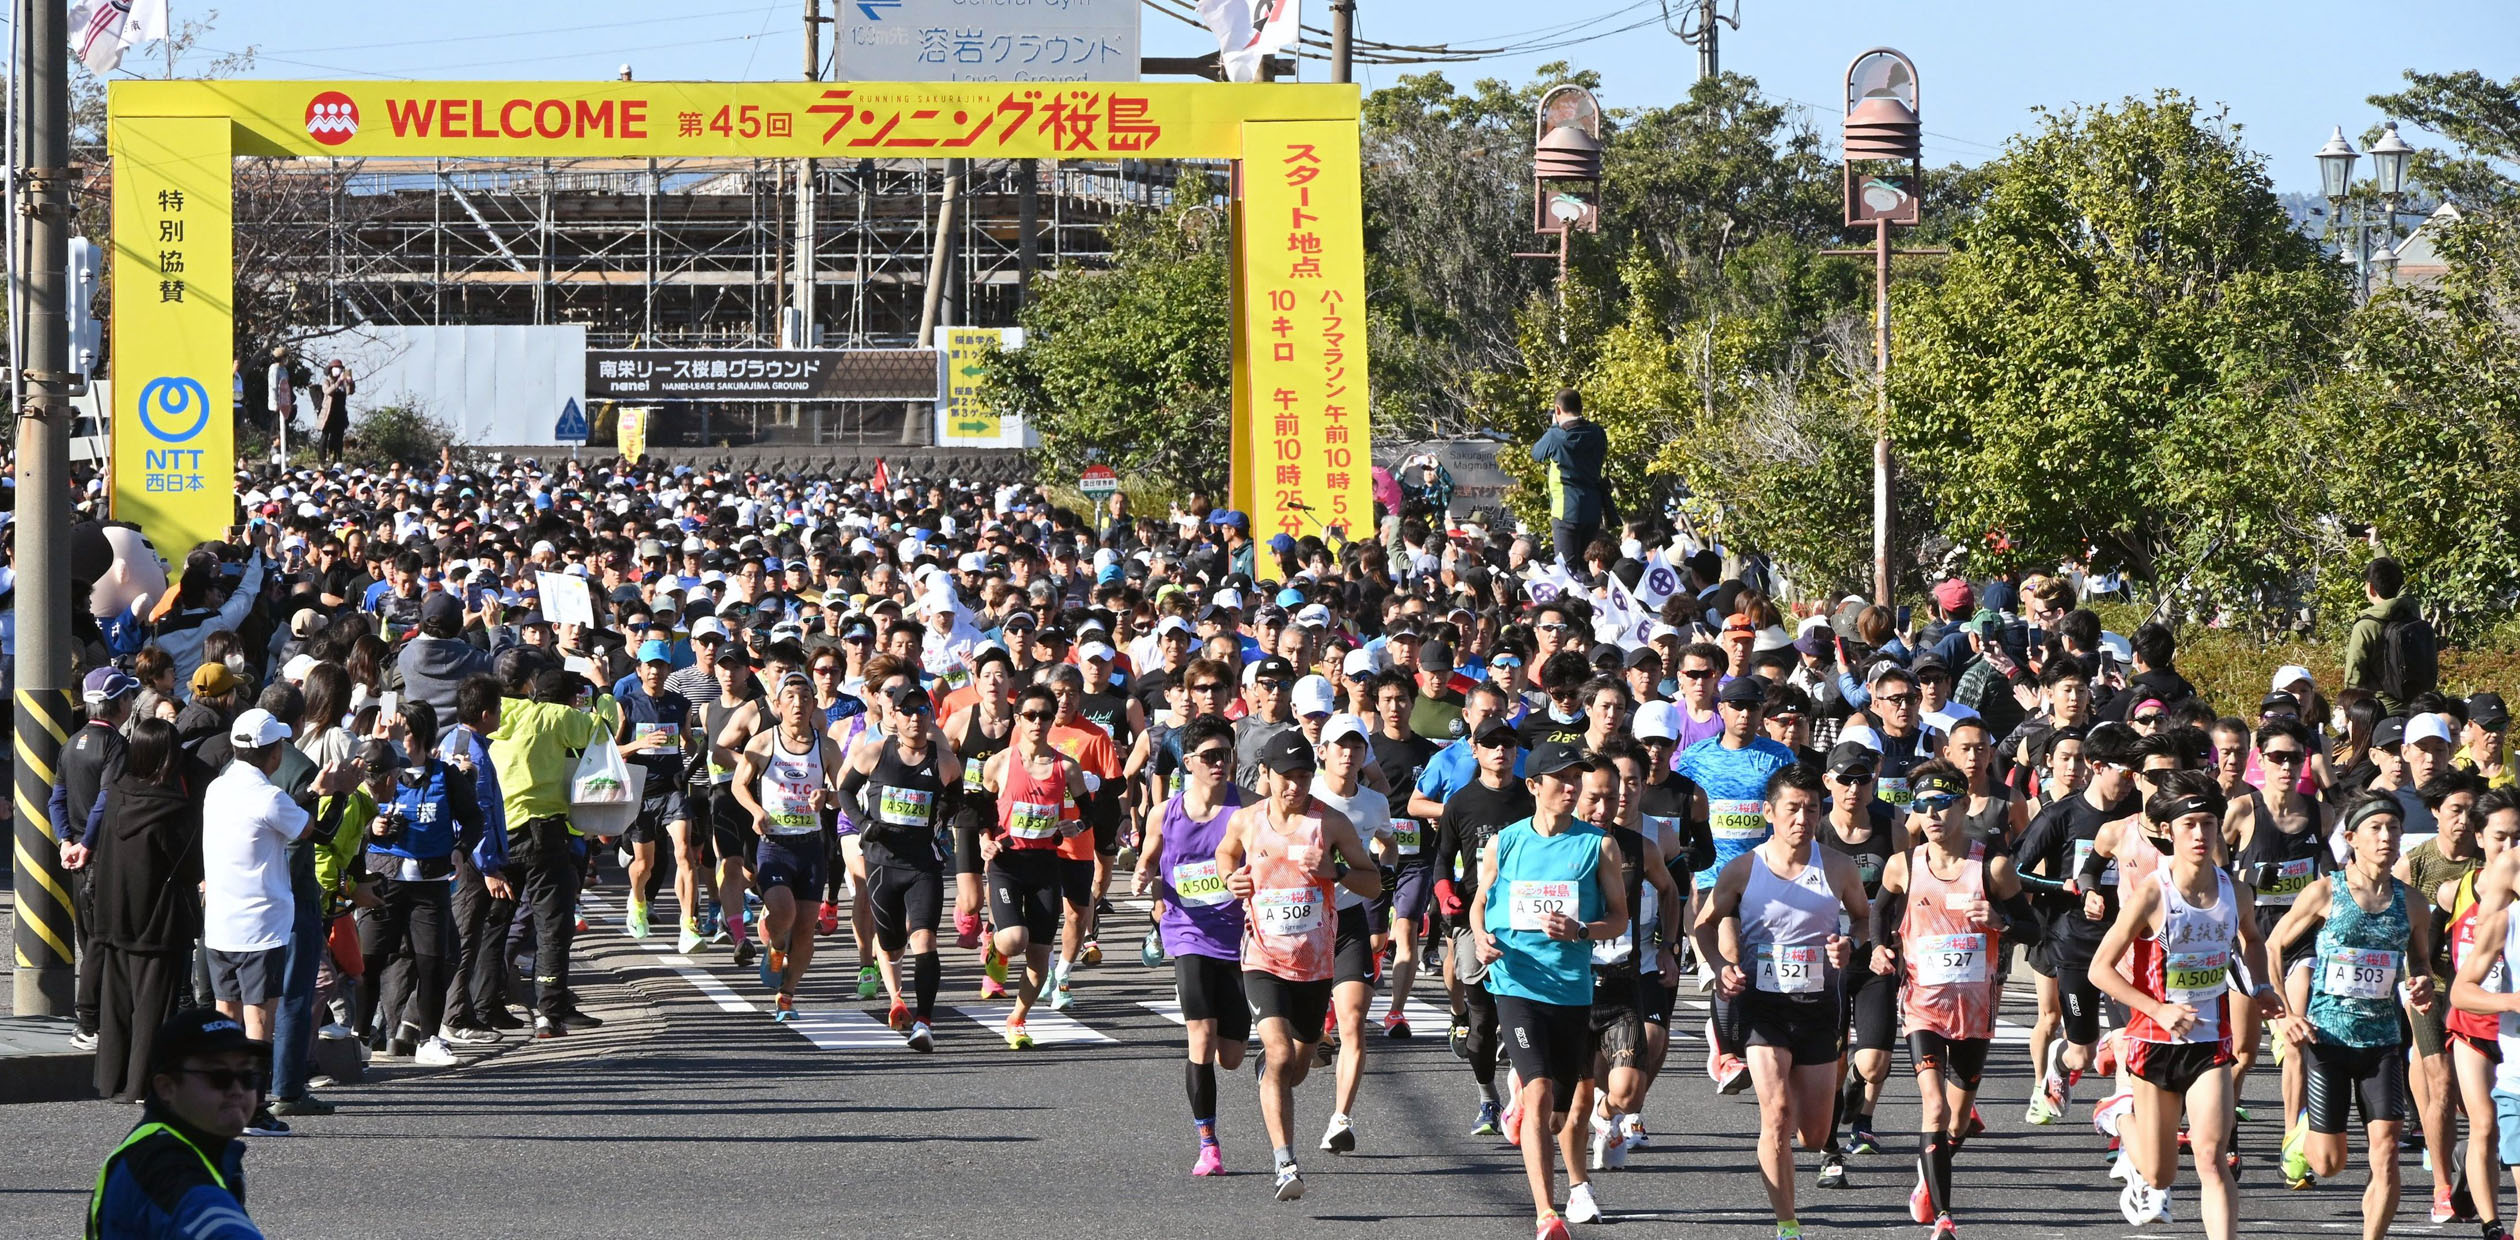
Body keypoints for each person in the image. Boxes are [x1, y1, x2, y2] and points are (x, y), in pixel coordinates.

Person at [2088, 770, 2287, 1234]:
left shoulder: (2236, 891)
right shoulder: (2152, 893)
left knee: (2212, 1158)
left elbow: (2252, 939)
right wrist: (2157, 1009)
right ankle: (2116, 1115)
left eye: (2208, 824)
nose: (2200, 834)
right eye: (2189, 825)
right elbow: (2100, 969)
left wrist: (2260, 986)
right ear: (2169, 831)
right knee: (2160, 1174)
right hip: (2154, 1042)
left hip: (2210, 1042)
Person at [1694, 761, 1871, 1240]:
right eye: (1793, 808)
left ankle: (1818, 1094)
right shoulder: (1743, 869)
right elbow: (1703, 925)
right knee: (1774, 1116)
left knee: (1812, 1135)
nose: (1802, 819)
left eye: (1811, 809)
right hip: (1763, 1007)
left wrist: (1850, 943)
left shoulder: (1837, 867)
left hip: (1818, 1008)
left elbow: (1862, 920)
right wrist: (1719, 964)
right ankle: (1787, 1224)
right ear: (1769, 812)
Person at [1215, 728, 1381, 1203]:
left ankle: (1276, 1074)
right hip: (1262, 958)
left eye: (1304, 776)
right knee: (1279, 1054)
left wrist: (1336, 870)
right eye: (1287, 776)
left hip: (1315, 965)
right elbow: (1225, 853)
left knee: (1299, 1065)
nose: (1296, 786)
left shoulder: (1330, 823)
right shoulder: (1247, 821)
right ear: (1266, 775)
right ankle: (1285, 1163)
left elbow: (1373, 884)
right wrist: (1230, 878)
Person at [1870, 762, 2029, 1238]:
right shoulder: (1904, 865)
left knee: (1957, 1121)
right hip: (1922, 1006)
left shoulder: (1992, 867)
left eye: (1942, 803)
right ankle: (1944, 1217)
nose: (1932, 814)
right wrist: (1879, 947)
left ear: (1963, 805)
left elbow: (2033, 928)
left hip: (1975, 1011)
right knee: (1935, 1108)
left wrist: (2000, 921)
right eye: (1922, 805)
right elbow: (1879, 911)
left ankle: (1929, 1171)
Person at [2267, 794, 2432, 1240]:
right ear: (2352, 838)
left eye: (2393, 828)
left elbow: (2420, 962)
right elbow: (2273, 946)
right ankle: (2302, 1135)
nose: (2386, 836)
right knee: (2329, 1164)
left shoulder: (2412, 903)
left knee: (2387, 1151)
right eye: (2375, 828)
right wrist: (2284, 1013)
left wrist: (2421, 982)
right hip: (2328, 1041)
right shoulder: (2325, 892)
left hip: (2383, 1042)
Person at [1133, 713, 1247, 1175]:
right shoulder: (1165, 813)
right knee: (1200, 1035)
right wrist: (1144, 876)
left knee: (1232, 1057)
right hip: (1187, 932)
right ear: (1188, 762)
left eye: (1226, 754)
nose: (1220, 763)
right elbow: (1149, 858)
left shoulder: (1248, 808)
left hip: (1240, 938)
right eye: (1210, 756)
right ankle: (1208, 1143)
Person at [488, 660, 620, 1038]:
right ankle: (550, 1011)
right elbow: (604, 731)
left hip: (499, 832)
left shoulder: (500, 712)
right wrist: (603, 689)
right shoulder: (555, 717)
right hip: (543, 832)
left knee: (495, 924)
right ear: (569, 700)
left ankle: (487, 1002)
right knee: (553, 925)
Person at [839, 680, 960, 1049]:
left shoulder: (943, 760)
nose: (915, 718)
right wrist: (863, 824)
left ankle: (924, 1022)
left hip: (923, 864)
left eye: (922, 710)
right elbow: (845, 791)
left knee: (924, 938)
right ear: (894, 715)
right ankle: (896, 998)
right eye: (907, 710)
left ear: (930, 716)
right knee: (890, 945)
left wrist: (944, 812)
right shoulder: (875, 752)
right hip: (882, 864)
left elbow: (956, 797)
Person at [87, 718, 203, 1104]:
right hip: (160, 920)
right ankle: (142, 1084)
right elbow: (191, 868)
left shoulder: (117, 793)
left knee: (117, 1003)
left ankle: (112, 1080)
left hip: (113, 914)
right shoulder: (175, 808)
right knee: (154, 1006)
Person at [1434, 714, 1538, 1132]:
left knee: (1525, 1013)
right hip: (1474, 918)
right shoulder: (1461, 802)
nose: (1500, 751)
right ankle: (1487, 1098)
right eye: (1491, 744)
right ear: (1474, 750)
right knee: (1481, 1021)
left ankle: (1524, 1095)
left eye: (1507, 744)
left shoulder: (1532, 797)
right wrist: (1444, 891)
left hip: (1526, 917)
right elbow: (1442, 858)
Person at [87, 1009, 270, 1240]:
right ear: (167, 1087)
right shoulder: (162, 1164)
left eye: (248, 1075)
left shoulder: (199, 1144)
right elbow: (218, 1226)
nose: (237, 1089)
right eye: (218, 1076)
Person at [729, 671, 848, 1024]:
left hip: (811, 846)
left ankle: (787, 995)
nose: (798, 704)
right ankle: (777, 945)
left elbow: (844, 795)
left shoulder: (827, 747)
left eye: (805, 698)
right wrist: (756, 811)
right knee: (783, 912)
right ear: (778, 705)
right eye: (791, 698)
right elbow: (738, 785)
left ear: (814, 705)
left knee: (806, 927)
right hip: (774, 845)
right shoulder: (763, 743)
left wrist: (827, 796)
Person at [980, 683, 1092, 1048]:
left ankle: (1017, 1019)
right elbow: (978, 810)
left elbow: (1093, 811)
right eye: (1030, 715)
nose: (1038, 722)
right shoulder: (1000, 763)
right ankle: (996, 945)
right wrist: (984, 839)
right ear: (1018, 719)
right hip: (1007, 863)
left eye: (1045, 716)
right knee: (1015, 939)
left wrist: (1077, 825)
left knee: (1039, 956)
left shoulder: (1066, 767)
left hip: (1045, 865)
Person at [1310, 711, 1394, 1155]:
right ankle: (1307, 1043)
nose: (1348, 753)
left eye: (1357, 746)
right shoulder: (1304, 794)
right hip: (1302, 923)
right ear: (1322, 751)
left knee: (1354, 1020)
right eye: (1340, 745)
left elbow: (1389, 844)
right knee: (1300, 1037)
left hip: (1349, 921)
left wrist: (1385, 873)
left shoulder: (1375, 802)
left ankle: (1340, 1119)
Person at [1529, 388, 1608, 580]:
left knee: (1566, 571)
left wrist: (1554, 427)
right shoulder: (1597, 432)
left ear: (1557, 409)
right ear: (1581, 407)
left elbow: (1536, 454)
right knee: (1588, 566)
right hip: (1593, 508)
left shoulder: (1556, 435)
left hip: (1566, 509)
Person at [317, 359, 354, 462]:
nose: (338, 370)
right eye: (336, 368)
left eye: (340, 368)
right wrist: (338, 383)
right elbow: (327, 391)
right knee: (325, 437)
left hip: (340, 413)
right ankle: (322, 460)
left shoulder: (343, 382)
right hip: (328, 414)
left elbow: (350, 392)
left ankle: (337, 459)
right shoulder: (327, 381)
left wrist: (350, 383)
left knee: (338, 438)